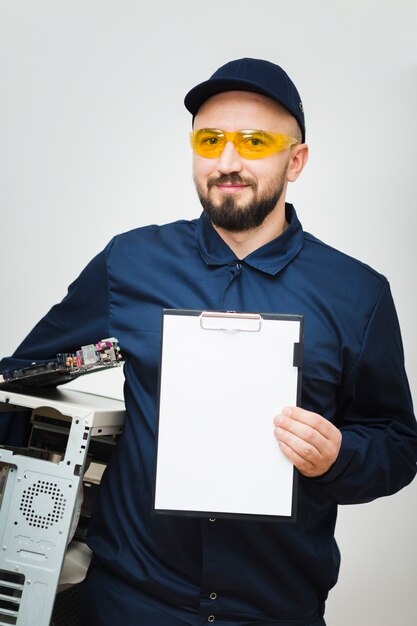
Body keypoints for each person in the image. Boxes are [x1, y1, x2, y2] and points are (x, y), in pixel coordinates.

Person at [1, 58, 416, 626]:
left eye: (254, 141)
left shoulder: (358, 294)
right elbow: (23, 377)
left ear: (295, 161)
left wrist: (338, 457)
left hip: (276, 610)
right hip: (128, 602)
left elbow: (397, 444)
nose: (227, 161)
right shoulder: (131, 262)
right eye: (210, 139)